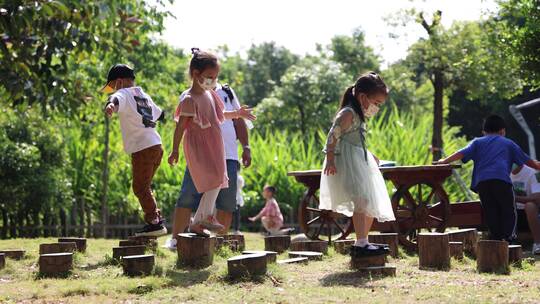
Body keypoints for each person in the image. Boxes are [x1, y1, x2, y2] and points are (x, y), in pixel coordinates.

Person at [168, 48, 256, 236]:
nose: (213, 81)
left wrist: (237, 113)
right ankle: (201, 219)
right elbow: (181, 127)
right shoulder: (189, 99)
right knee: (213, 180)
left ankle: (201, 219)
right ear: (195, 74)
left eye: (215, 77)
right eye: (209, 76)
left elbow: (220, 115)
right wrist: (174, 150)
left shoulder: (211, 94)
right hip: (200, 148)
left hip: (215, 146)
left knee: (219, 180)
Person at [320, 72, 395, 256]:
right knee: (361, 200)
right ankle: (361, 242)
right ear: (363, 97)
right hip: (346, 162)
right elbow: (333, 136)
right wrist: (330, 159)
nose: (376, 108)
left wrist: (371, 156)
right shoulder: (348, 113)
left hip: (359, 159)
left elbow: (357, 141)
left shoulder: (360, 116)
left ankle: (363, 240)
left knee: (368, 200)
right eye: (376, 103)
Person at [435, 114, 540, 242]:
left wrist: (444, 161)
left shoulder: (477, 142)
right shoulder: (508, 143)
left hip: (482, 183)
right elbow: (529, 162)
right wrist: (537, 166)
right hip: (501, 181)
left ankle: (495, 239)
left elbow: (461, 153)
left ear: (484, 132)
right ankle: (508, 239)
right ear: (502, 131)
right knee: (508, 210)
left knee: (490, 211)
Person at [102, 64, 167, 237]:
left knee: (139, 187)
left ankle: (155, 222)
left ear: (120, 82)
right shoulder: (143, 95)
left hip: (142, 148)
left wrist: (110, 105)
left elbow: (115, 99)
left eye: (113, 85)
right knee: (145, 187)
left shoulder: (122, 92)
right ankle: (155, 220)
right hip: (156, 146)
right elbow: (160, 114)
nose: (113, 89)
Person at [511, 164, 540, 254]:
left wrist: (513, 198)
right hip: (513, 213)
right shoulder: (503, 172)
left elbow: (537, 197)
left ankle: (538, 244)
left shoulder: (533, 173)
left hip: (532, 213)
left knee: (530, 206)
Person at [232, 168, 245, 234]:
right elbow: (241, 186)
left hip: (232, 197)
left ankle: (234, 229)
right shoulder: (240, 177)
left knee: (232, 215)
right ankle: (236, 229)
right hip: (237, 198)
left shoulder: (230, 175)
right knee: (237, 216)